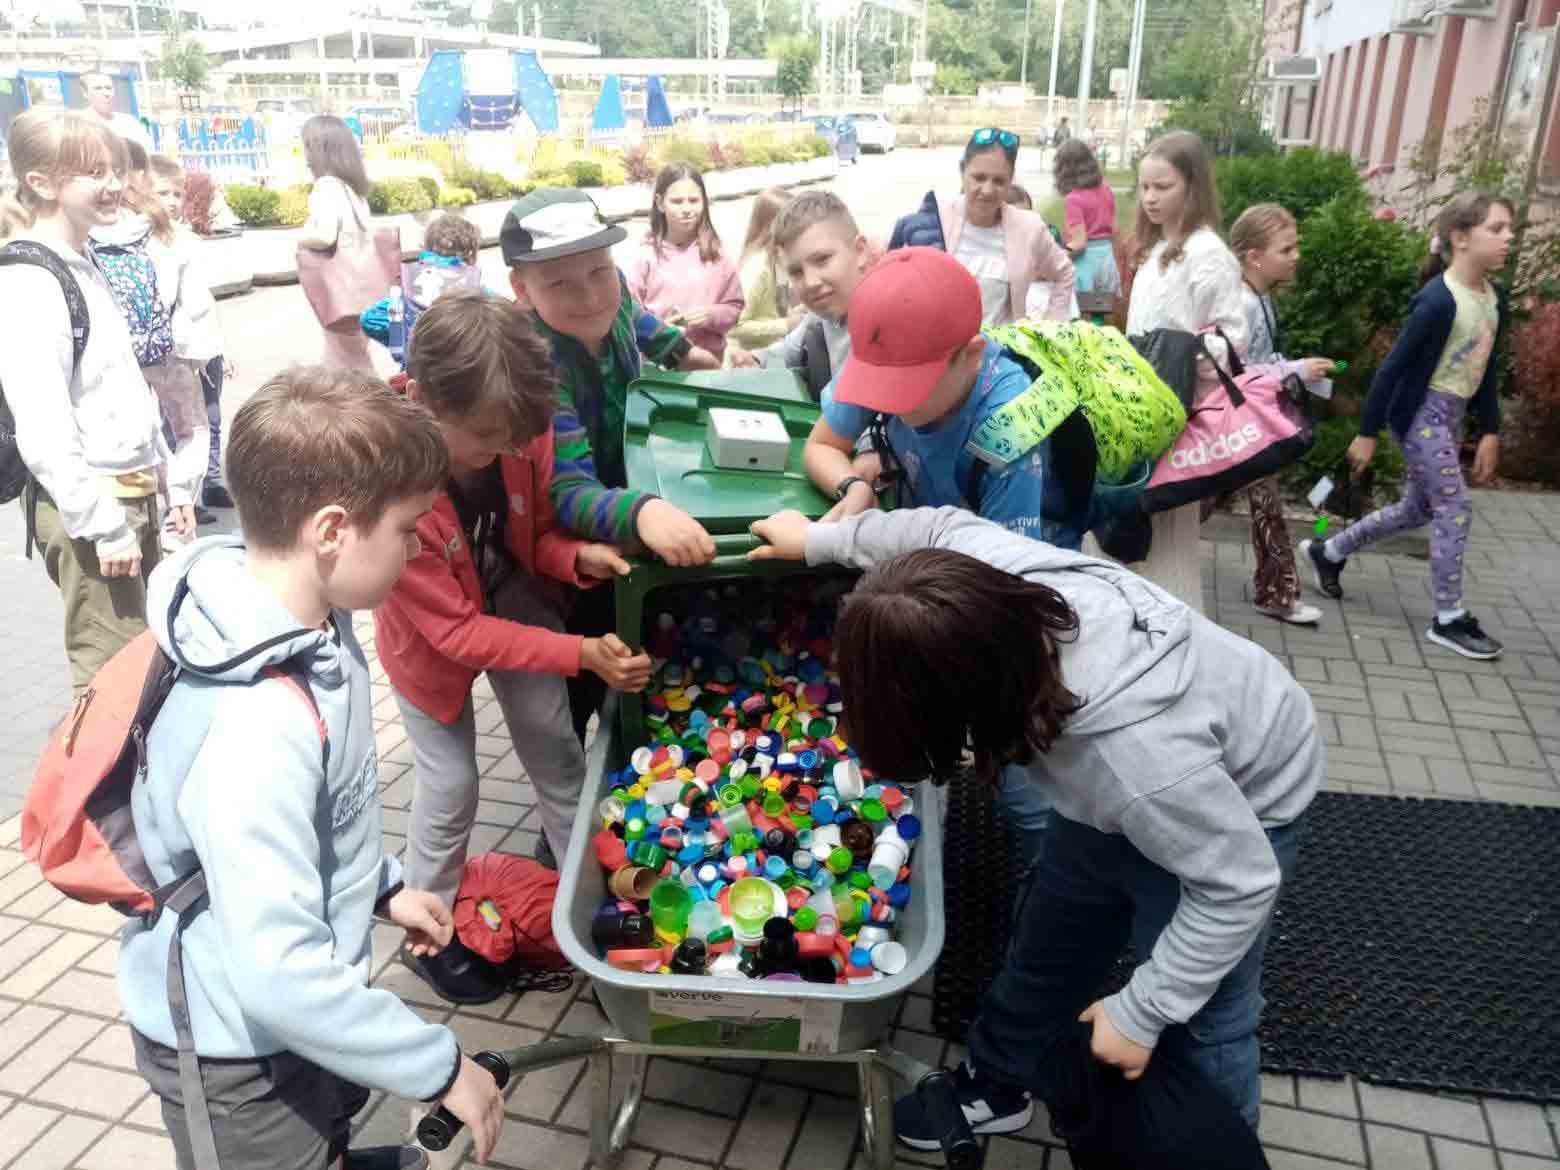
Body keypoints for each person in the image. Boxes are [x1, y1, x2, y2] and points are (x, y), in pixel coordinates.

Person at [747, 504, 1320, 1167]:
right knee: (1052, 938)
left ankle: (1213, 1150)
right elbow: (928, 527)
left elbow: (1239, 886)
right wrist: (821, 539)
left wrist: (1141, 1012)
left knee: (1207, 1016)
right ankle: (999, 1082)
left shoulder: (1135, 760)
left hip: (1239, 801)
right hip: (1117, 791)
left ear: (967, 703)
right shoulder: (981, 580)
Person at [119, 368, 507, 1168]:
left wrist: (384, 887)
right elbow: (276, 975)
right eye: (407, 528)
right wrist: (437, 1067)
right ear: (332, 530)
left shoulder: (314, 628)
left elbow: (319, 820)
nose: (421, 545)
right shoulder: (257, 723)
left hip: (294, 1021)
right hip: (238, 1054)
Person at [376, 292, 652, 1003]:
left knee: (556, 754)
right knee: (451, 786)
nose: (500, 453)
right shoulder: (393, 486)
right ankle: (427, 925)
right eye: (483, 440)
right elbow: (456, 631)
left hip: (514, 596)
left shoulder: (517, 429)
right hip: (429, 648)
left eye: (511, 442)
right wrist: (581, 653)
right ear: (422, 398)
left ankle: (587, 910)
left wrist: (574, 559)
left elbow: (529, 540)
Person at [502, 187, 719, 739]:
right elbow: (568, 492)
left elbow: (637, 318)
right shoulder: (536, 369)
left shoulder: (614, 290)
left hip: (622, 478)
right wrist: (642, 512)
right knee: (581, 678)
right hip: (565, 559)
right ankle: (572, 802)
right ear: (521, 290)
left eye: (599, 271)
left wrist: (681, 350)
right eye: (560, 283)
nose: (591, 295)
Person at [0, 111, 173, 694]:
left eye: (116, 170)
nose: (112, 185)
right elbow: (44, 425)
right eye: (91, 172)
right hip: (96, 506)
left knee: (143, 663)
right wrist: (103, 527)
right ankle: (101, 789)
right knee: (112, 684)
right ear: (41, 183)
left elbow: (117, 391)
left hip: (128, 492)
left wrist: (166, 488)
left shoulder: (83, 259)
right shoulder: (29, 280)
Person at [1301, 191, 1513, 661]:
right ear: (1460, 238)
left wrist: (1491, 430)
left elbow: (1487, 369)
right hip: (1419, 416)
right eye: (1496, 229)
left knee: (1417, 509)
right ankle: (1449, 617)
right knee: (1455, 506)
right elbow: (1391, 371)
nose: (1508, 238)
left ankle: (1328, 551)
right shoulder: (1439, 301)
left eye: (1508, 229)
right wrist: (1367, 432)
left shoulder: (1492, 298)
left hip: (1452, 416)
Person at [1123, 130, 1247, 613]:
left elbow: (1232, 341)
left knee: (1169, 534)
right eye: (1145, 187)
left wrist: (1178, 353)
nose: (1151, 198)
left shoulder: (1208, 253)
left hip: (1179, 414)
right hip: (1143, 406)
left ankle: (1174, 628)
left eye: (1163, 187)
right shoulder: (1159, 249)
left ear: (1192, 187)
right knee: (1141, 528)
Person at [91, 142, 204, 555]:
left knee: (169, 429)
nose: (115, 185)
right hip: (159, 358)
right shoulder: (147, 233)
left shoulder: (112, 235)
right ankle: (175, 514)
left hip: (139, 367)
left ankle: (174, 512)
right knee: (187, 430)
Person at [1228, 203, 1335, 626]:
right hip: (1240, 421)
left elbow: (1257, 358)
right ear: (1255, 256)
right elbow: (1235, 370)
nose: (1296, 256)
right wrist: (1292, 370)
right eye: (1286, 249)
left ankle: (1277, 592)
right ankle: (1277, 593)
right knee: (1261, 504)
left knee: (1254, 503)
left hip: (1249, 421)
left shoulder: (1260, 298)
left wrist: (1299, 370)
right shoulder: (1244, 303)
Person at [888, 127, 1075, 327]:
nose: (987, 190)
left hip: (998, 354)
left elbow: (1065, 273)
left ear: (1011, 180)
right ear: (962, 171)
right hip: (941, 353)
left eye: (999, 181)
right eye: (979, 178)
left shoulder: (1029, 228)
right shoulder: (935, 217)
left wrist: (1052, 325)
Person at [726, 190, 875, 397]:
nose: (810, 282)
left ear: (860, 251)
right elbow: (790, 347)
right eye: (796, 272)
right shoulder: (821, 317)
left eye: (822, 259)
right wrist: (757, 360)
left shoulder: (886, 321)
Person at [148, 153, 233, 518]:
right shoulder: (146, 244)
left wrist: (220, 345)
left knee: (210, 419)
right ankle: (181, 499)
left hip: (203, 345)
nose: (171, 201)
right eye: (162, 192)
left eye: (177, 193)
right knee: (179, 426)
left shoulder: (186, 239)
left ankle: (211, 482)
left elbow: (205, 295)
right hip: (175, 351)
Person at [626, 162, 744, 361]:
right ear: (660, 203)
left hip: (709, 365)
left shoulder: (716, 255)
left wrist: (711, 315)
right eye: (677, 201)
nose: (687, 209)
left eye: (693, 200)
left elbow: (734, 307)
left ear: (704, 202)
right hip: (660, 365)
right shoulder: (645, 256)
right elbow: (629, 311)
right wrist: (659, 330)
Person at [297, 114, 379, 372]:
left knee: (346, 365)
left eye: (306, 145)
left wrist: (298, 237)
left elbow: (325, 235)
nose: (304, 153)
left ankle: (371, 409)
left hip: (341, 294)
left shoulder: (326, 187)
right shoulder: (352, 190)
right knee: (352, 357)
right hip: (362, 291)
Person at [361, 211, 487, 360]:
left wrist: (402, 337)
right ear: (472, 255)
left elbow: (368, 319)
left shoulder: (412, 292)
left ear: (426, 248)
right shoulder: (481, 295)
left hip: (418, 376)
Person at [728, 186, 799, 351]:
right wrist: (785, 325)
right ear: (772, 225)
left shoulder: (780, 258)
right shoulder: (756, 268)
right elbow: (733, 327)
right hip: (751, 363)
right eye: (793, 222)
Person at [1053, 138, 1121, 296]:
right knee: (1102, 311)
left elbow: (1079, 243)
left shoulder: (1073, 199)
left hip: (1087, 263)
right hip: (1107, 258)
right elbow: (1114, 228)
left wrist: (1058, 255)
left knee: (1082, 313)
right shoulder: (1105, 188)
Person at [1006, 183, 1080, 320]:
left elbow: (1059, 269)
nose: (1022, 221)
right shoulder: (998, 242)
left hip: (1046, 296)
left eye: (1026, 214)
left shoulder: (1044, 233)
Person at [80, 70, 148, 148]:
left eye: (108, 88)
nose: (106, 93)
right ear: (85, 93)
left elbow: (147, 154)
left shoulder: (130, 123)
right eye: (98, 88)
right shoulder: (78, 125)